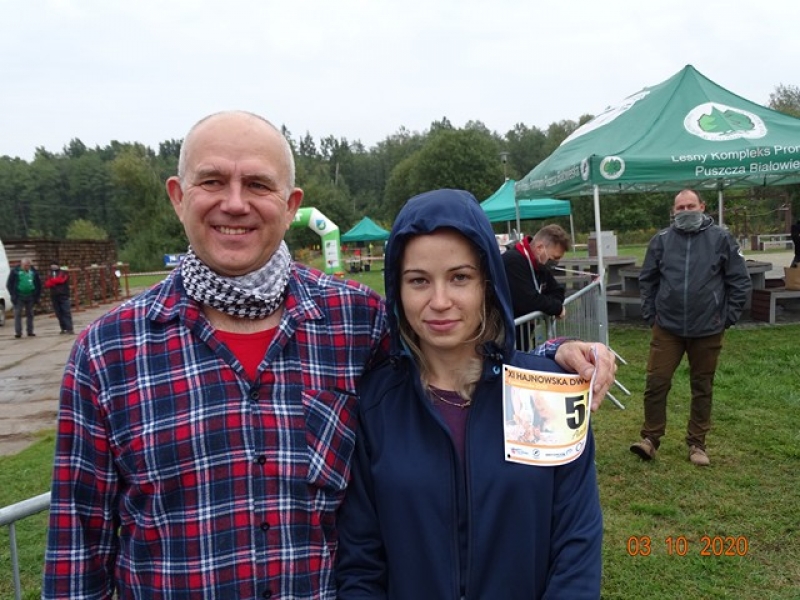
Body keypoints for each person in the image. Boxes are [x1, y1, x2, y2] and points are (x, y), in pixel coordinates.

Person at [43, 112, 616, 600]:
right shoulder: (108, 351)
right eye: (213, 180)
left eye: (258, 184)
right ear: (177, 195)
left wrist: (554, 358)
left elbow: (456, 351)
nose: (235, 203)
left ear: (291, 203)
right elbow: (76, 547)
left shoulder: (353, 321)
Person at [336, 189, 603, 599]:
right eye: (419, 281)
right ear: (398, 289)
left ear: (487, 285)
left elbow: (576, 544)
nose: (439, 301)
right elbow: (361, 562)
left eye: (459, 277)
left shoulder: (547, 391)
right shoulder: (375, 405)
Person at [630, 189, 751, 467]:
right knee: (656, 382)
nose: (685, 211)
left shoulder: (721, 239)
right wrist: (651, 315)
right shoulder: (661, 240)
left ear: (702, 207)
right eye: (680, 207)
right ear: (674, 211)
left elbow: (739, 280)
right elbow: (647, 280)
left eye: (690, 206)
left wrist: (728, 316)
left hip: (708, 328)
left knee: (702, 386)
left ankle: (697, 443)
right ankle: (650, 439)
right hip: (667, 328)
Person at [502, 224, 569, 350]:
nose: (556, 262)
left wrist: (551, 304)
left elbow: (557, 290)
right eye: (554, 258)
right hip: (504, 337)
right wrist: (557, 308)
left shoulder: (539, 264)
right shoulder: (513, 261)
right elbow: (528, 301)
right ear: (539, 248)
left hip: (523, 333)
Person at [6, 257, 42, 338]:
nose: (27, 267)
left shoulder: (33, 272)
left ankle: (30, 331)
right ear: (22, 264)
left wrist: (37, 295)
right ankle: (18, 332)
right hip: (19, 296)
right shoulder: (15, 272)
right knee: (18, 314)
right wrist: (13, 294)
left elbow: (38, 284)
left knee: (30, 314)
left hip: (30, 295)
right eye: (26, 265)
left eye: (29, 265)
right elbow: (9, 284)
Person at [44, 263, 74, 334]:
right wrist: (52, 281)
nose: (53, 266)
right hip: (54, 295)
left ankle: (69, 328)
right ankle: (63, 328)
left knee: (66, 312)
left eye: (54, 264)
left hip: (63, 295)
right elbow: (47, 283)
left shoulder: (63, 272)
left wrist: (52, 281)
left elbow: (61, 280)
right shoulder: (49, 273)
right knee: (58, 313)